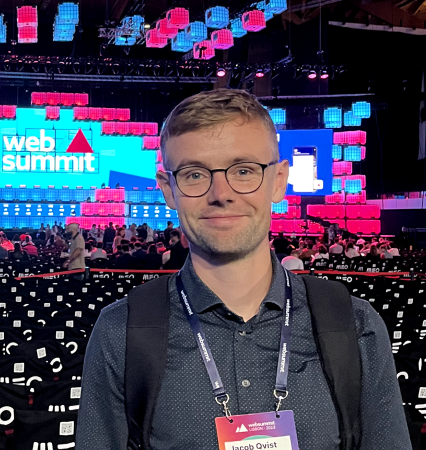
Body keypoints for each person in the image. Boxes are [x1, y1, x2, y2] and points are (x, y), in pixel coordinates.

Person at [77, 89, 408, 449]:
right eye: (194, 174)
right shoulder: (121, 331)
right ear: (168, 189)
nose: (222, 192)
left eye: (244, 170)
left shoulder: (356, 326)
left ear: (279, 180)